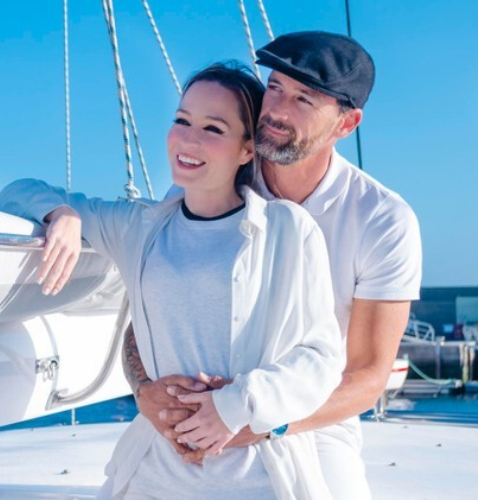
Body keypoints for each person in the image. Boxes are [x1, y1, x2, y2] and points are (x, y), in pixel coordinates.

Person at [0, 61, 344, 499]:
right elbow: (17, 190)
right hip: (153, 478)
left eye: (213, 129)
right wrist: (60, 214)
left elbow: (322, 358)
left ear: (246, 150)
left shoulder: (288, 229)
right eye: (182, 121)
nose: (188, 139)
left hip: (256, 482)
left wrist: (234, 405)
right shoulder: (138, 226)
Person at [125, 31, 423, 500]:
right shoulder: (215, 179)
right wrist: (144, 392)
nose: (277, 109)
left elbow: (367, 376)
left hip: (310, 421)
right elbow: (146, 313)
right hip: (192, 408)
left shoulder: (382, 219)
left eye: (304, 98)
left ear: (347, 124)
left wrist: (260, 422)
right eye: (276, 87)